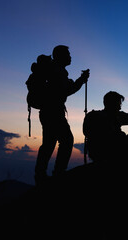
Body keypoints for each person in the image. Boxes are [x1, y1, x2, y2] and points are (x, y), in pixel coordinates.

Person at [35, 45, 90, 185]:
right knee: (66, 140)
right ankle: (58, 173)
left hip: (48, 111)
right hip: (53, 112)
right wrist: (81, 80)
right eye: (68, 54)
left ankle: (41, 174)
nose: (70, 57)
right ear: (61, 56)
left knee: (49, 144)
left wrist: (80, 80)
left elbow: (65, 89)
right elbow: (67, 90)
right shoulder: (57, 71)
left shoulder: (55, 70)